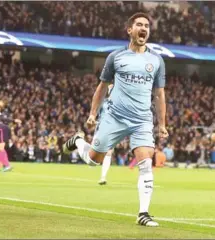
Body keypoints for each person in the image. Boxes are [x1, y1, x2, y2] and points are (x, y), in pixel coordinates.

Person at [63, 12, 168, 227]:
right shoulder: (115, 57)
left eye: (147, 25)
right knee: (93, 160)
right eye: (139, 24)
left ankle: (143, 213)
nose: (144, 28)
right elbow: (101, 88)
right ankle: (78, 142)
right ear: (130, 30)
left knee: (146, 162)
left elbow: (159, 94)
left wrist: (163, 124)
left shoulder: (156, 60)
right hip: (114, 116)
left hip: (142, 120)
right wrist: (93, 113)